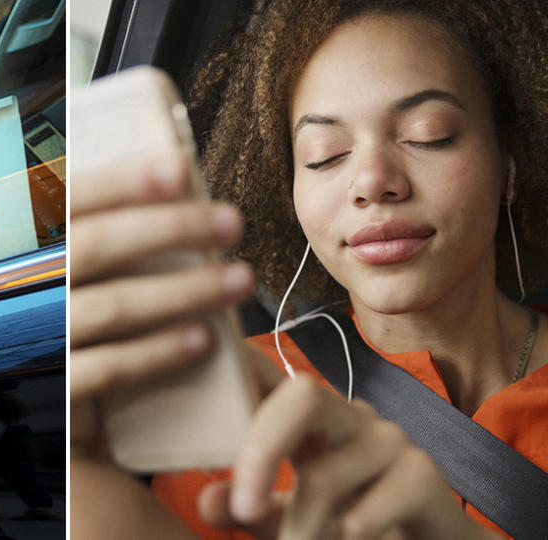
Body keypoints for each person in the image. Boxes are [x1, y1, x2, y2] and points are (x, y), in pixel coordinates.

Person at [70, 0, 548, 538]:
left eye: (428, 133)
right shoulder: (239, 399)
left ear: (508, 159)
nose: (372, 180)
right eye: (324, 155)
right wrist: (88, 492)